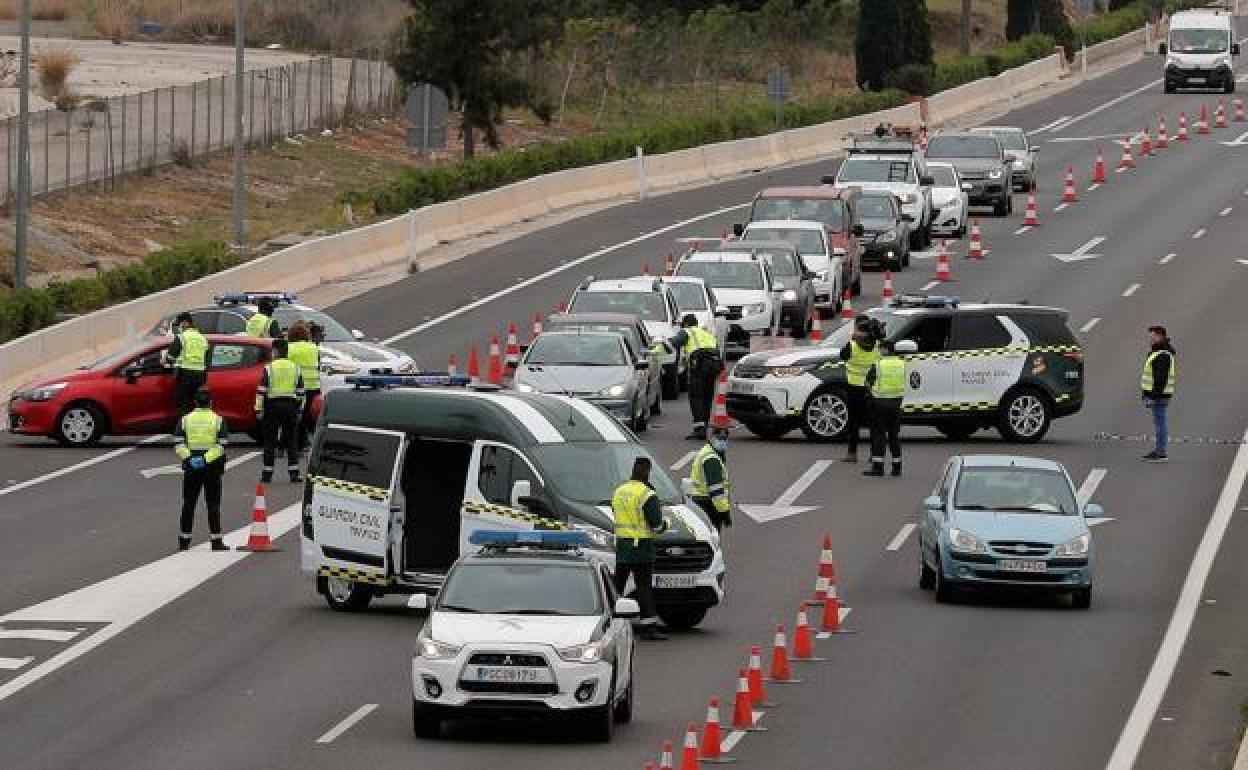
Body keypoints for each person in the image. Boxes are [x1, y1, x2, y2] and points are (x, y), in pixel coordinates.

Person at [611, 456, 668, 640]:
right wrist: (667, 523)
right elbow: (657, 526)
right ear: (648, 472)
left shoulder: (619, 491)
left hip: (622, 546)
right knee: (643, 587)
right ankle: (649, 626)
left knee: (616, 586)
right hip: (641, 547)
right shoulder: (646, 494)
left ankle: (608, 620)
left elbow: (617, 515)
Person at [174, 387, 229, 552]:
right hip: (212, 468)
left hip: (191, 468)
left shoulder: (185, 420)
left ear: (195, 403)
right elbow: (221, 445)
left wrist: (190, 458)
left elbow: (178, 442)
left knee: (189, 504)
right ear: (211, 403)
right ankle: (216, 541)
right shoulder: (218, 420)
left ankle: (184, 541)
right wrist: (205, 459)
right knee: (213, 504)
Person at [256, 338, 305, 482]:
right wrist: (299, 409)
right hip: (290, 405)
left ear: (276, 351)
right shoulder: (296, 368)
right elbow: (301, 391)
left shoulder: (269, 368)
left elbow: (261, 391)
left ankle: (267, 474)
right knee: (291, 440)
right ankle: (294, 473)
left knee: (270, 441)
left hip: (272, 406)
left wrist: (258, 409)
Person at [667, 314, 722, 440]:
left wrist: (658, 346)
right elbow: (717, 349)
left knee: (696, 396)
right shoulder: (706, 333)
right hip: (714, 364)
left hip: (700, 364)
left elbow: (674, 344)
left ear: (686, 324)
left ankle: (699, 429)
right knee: (708, 396)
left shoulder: (687, 331)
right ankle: (704, 426)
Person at [839, 315, 881, 462]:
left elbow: (842, 356)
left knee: (854, 421)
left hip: (854, 387)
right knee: (873, 422)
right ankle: (874, 454)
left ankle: (852, 453)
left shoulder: (852, 345)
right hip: (872, 387)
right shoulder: (877, 344)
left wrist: (853, 338)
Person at [863, 339, 906, 477]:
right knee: (894, 435)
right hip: (896, 404)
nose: (879, 352)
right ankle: (897, 467)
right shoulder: (902, 363)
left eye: (880, 349)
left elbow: (867, 383)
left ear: (886, 349)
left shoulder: (878, 364)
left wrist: (872, 393)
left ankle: (878, 467)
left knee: (879, 435)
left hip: (880, 403)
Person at [1141, 325, 1176, 462]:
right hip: (1159, 395)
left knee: (1160, 423)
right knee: (1160, 422)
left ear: (1160, 336)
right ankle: (1160, 450)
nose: (1151, 339)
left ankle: (1161, 452)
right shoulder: (1160, 353)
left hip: (1159, 396)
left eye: (1153, 336)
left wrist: (1152, 396)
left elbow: (1160, 379)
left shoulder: (1162, 355)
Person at [286, 321, 321, 452]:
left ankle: (296, 443)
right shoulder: (314, 347)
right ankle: (306, 443)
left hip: (296, 386)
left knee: (296, 416)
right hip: (313, 386)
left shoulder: (289, 348)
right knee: (308, 416)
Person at [164, 311, 208, 415]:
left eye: (179, 324)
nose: (178, 327)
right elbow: (207, 359)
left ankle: (183, 427)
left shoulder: (181, 337)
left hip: (185, 375)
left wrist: (165, 360)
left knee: (183, 405)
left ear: (185, 323)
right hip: (200, 376)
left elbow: (170, 357)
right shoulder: (202, 338)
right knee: (196, 404)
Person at [690, 426, 733, 531]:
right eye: (719, 438)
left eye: (724, 438)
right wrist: (724, 512)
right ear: (712, 438)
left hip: (700, 500)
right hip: (708, 504)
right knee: (712, 538)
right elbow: (716, 489)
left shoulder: (708, 450)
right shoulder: (711, 458)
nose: (722, 441)